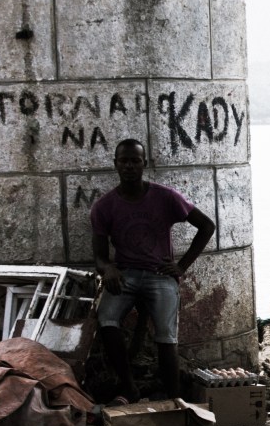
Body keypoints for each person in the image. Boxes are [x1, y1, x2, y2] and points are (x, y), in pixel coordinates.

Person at [91, 138, 215, 404]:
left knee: (166, 335)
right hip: (125, 274)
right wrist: (108, 268)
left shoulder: (165, 197)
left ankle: (173, 398)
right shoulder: (104, 206)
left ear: (144, 163)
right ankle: (129, 388)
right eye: (124, 161)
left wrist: (181, 266)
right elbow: (99, 256)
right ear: (115, 164)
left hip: (160, 275)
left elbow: (207, 226)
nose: (129, 166)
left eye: (135, 161)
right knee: (106, 319)